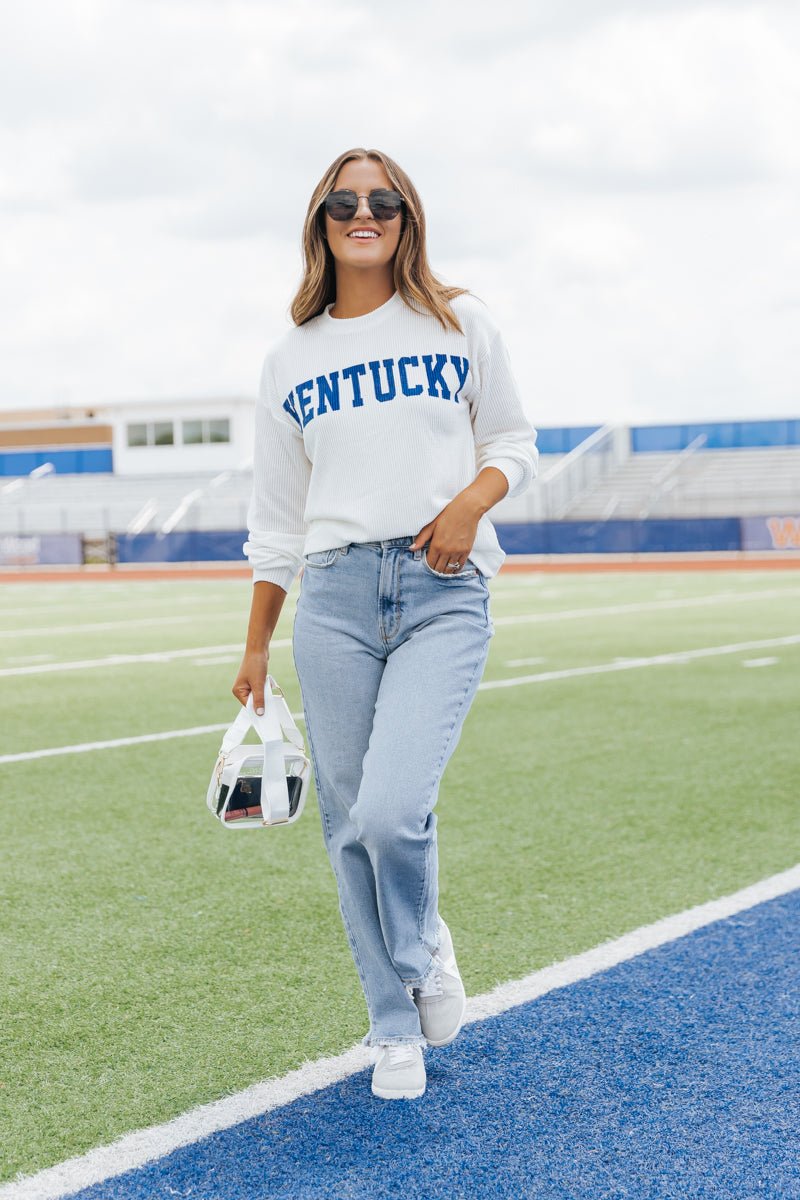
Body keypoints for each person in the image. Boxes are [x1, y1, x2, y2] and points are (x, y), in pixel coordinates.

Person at [232, 147, 538, 1101]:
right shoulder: (291, 360)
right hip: (331, 598)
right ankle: (391, 1021)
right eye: (343, 201)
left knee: (389, 812)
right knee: (343, 827)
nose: (363, 214)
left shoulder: (460, 322)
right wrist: (252, 645)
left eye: (383, 201)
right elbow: (278, 524)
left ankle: (423, 946)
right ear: (320, 221)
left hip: (442, 588)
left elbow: (515, 443)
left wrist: (469, 505)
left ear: (408, 217)